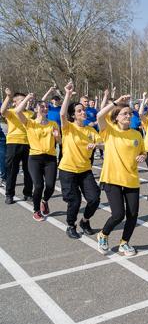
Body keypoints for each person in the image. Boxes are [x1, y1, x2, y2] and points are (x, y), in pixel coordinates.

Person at [96, 93, 146, 256]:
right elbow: (100, 115)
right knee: (118, 214)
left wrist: (143, 156)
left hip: (131, 179)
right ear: (116, 117)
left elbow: (143, 152)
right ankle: (103, 235)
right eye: (125, 113)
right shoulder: (109, 130)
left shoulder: (137, 134)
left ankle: (124, 243)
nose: (128, 116)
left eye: (130, 113)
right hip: (112, 178)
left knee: (133, 215)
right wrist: (116, 102)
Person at [58, 81, 102, 239]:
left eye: (83, 110)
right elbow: (62, 114)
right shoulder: (68, 127)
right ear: (73, 115)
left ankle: (85, 221)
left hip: (85, 170)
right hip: (68, 170)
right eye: (79, 111)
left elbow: (104, 144)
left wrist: (97, 144)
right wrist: (68, 94)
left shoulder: (90, 130)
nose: (83, 112)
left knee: (95, 198)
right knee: (74, 201)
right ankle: (71, 225)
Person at [15, 93, 60, 221]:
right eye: (41, 106)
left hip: (50, 158)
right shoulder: (30, 123)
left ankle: (44, 201)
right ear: (35, 109)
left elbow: (60, 142)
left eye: (46, 107)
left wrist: (57, 136)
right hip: (35, 158)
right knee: (39, 185)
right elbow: (18, 111)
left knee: (50, 186)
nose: (45, 108)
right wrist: (28, 99)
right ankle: (36, 210)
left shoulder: (53, 124)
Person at [1, 89, 33, 204]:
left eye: (25, 99)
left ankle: (28, 193)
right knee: (12, 170)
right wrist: (8, 96)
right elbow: (2, 111)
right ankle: (9, 194)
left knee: (29, 170)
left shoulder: (30, 113)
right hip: (13, 143)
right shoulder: (11, 111)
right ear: (15, 102)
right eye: (21, 100)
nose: (24, 101)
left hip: (28, 144)